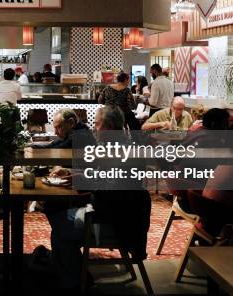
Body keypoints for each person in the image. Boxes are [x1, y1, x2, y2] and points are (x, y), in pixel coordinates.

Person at [35, 107, 151, 291]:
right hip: (121, 215)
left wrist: (78, 179)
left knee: (59, 227)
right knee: (56, 210)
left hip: (116, 222)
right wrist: (73, 173)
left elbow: (108, 190)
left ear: (109, 126)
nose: (94, 128)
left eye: (97, 124)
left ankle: (74, 282)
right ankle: (70, 270)